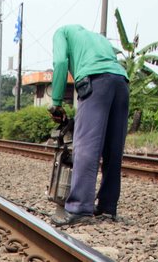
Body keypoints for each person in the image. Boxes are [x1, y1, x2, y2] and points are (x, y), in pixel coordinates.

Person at [48, 24, 129, 226]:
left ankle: (79, 208)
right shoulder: (98, 38)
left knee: (86, 147)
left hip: (95, 81)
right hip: (121, 82)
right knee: (113, 148)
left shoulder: (62, 32)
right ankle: (107, 208)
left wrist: (56, 102)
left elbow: (59, 62)